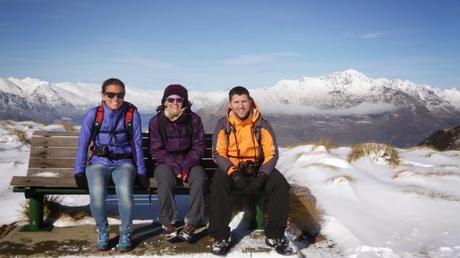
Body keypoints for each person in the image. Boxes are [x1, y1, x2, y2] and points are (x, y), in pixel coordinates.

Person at [209, 86, 292, 255]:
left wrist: (261, 176)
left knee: (280, 185)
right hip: (232, 170)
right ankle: (221, 237)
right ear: (230, 104)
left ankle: (275, 235)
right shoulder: (223, 124)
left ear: (250, 101)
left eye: (244, 101)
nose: (241, 106)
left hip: (257, 169)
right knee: (218, 183)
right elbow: (218, 153)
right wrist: (233, 173)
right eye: (236, 102)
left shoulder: (262, 124)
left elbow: (272, 153)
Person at [74, 78, 150, 252]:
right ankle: (102, 231)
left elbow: (137, 145)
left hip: (124, 164)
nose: (116, 99)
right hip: (98, 164)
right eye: (111, 94)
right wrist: (79, 171)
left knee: (124, 193)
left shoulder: (132, 114)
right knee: (97, 194)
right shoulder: (93, 115)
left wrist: (141, 172)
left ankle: (125, 232)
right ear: (103, 95)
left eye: (120, 95)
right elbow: (83, 144)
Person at [149, 84, 206, 242]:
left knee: (199, 178)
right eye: (170, 99)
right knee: (165, 177)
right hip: (165, 162)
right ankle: (167, 222)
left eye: (179, 100)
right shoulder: (156, 122)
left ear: (185, 102)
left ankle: (193, 222)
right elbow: (156, 149)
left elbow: (199, 146)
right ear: (164, 102)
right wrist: (176, 166)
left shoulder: (194, 120)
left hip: (191, 161)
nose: (175, 102)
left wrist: (186, 165)